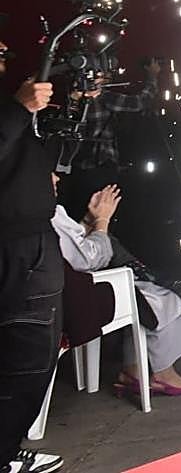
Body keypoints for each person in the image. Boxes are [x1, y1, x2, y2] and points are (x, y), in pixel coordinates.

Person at [50, 178, 181, 398]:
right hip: (72, 301)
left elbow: (67, 249)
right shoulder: (46, 213)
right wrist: (102, 221)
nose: (56, 177)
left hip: (51, 295)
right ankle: (163, 373)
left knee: (144, 293)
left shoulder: (21, 210)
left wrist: (87, 221)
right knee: (155, 297)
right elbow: (91, 259)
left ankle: (134, 371)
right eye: (46, 172)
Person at [0, 38, 65, 473]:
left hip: (30, 242)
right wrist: (19, 109)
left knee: (30, 358)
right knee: (26, 360)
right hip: (15, 249)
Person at [57, 58, 160, 217]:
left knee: (74, 215)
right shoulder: (104, 97)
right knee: (99, 215)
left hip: (74, 167)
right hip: (101, 165)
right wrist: (152, 76)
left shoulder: (67, 98)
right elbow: (140, 102)